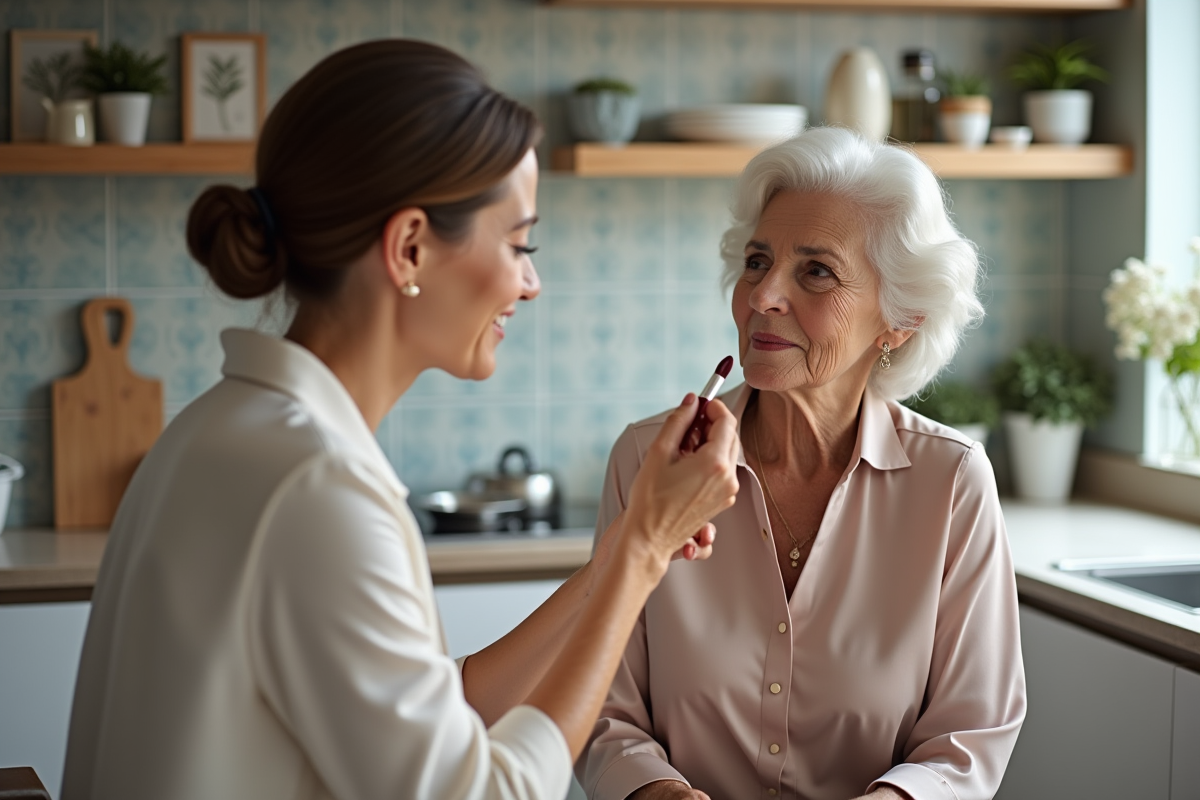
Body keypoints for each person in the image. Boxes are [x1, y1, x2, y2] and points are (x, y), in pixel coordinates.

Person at [61, 40, 740, 800]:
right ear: (410, 247)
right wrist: (641, 555)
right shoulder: (318, 490)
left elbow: (435, 713)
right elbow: (482, 792)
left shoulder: (220, 429)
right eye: (520, 244)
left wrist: (612, 560)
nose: (531, 281)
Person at [578, 127, 1026, 800]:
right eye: (757, 262)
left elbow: (970, 737)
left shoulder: (952, 481)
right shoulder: (650, 459)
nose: (762, 296)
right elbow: (602, 708)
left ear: (900, 317)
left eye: (815, 270)